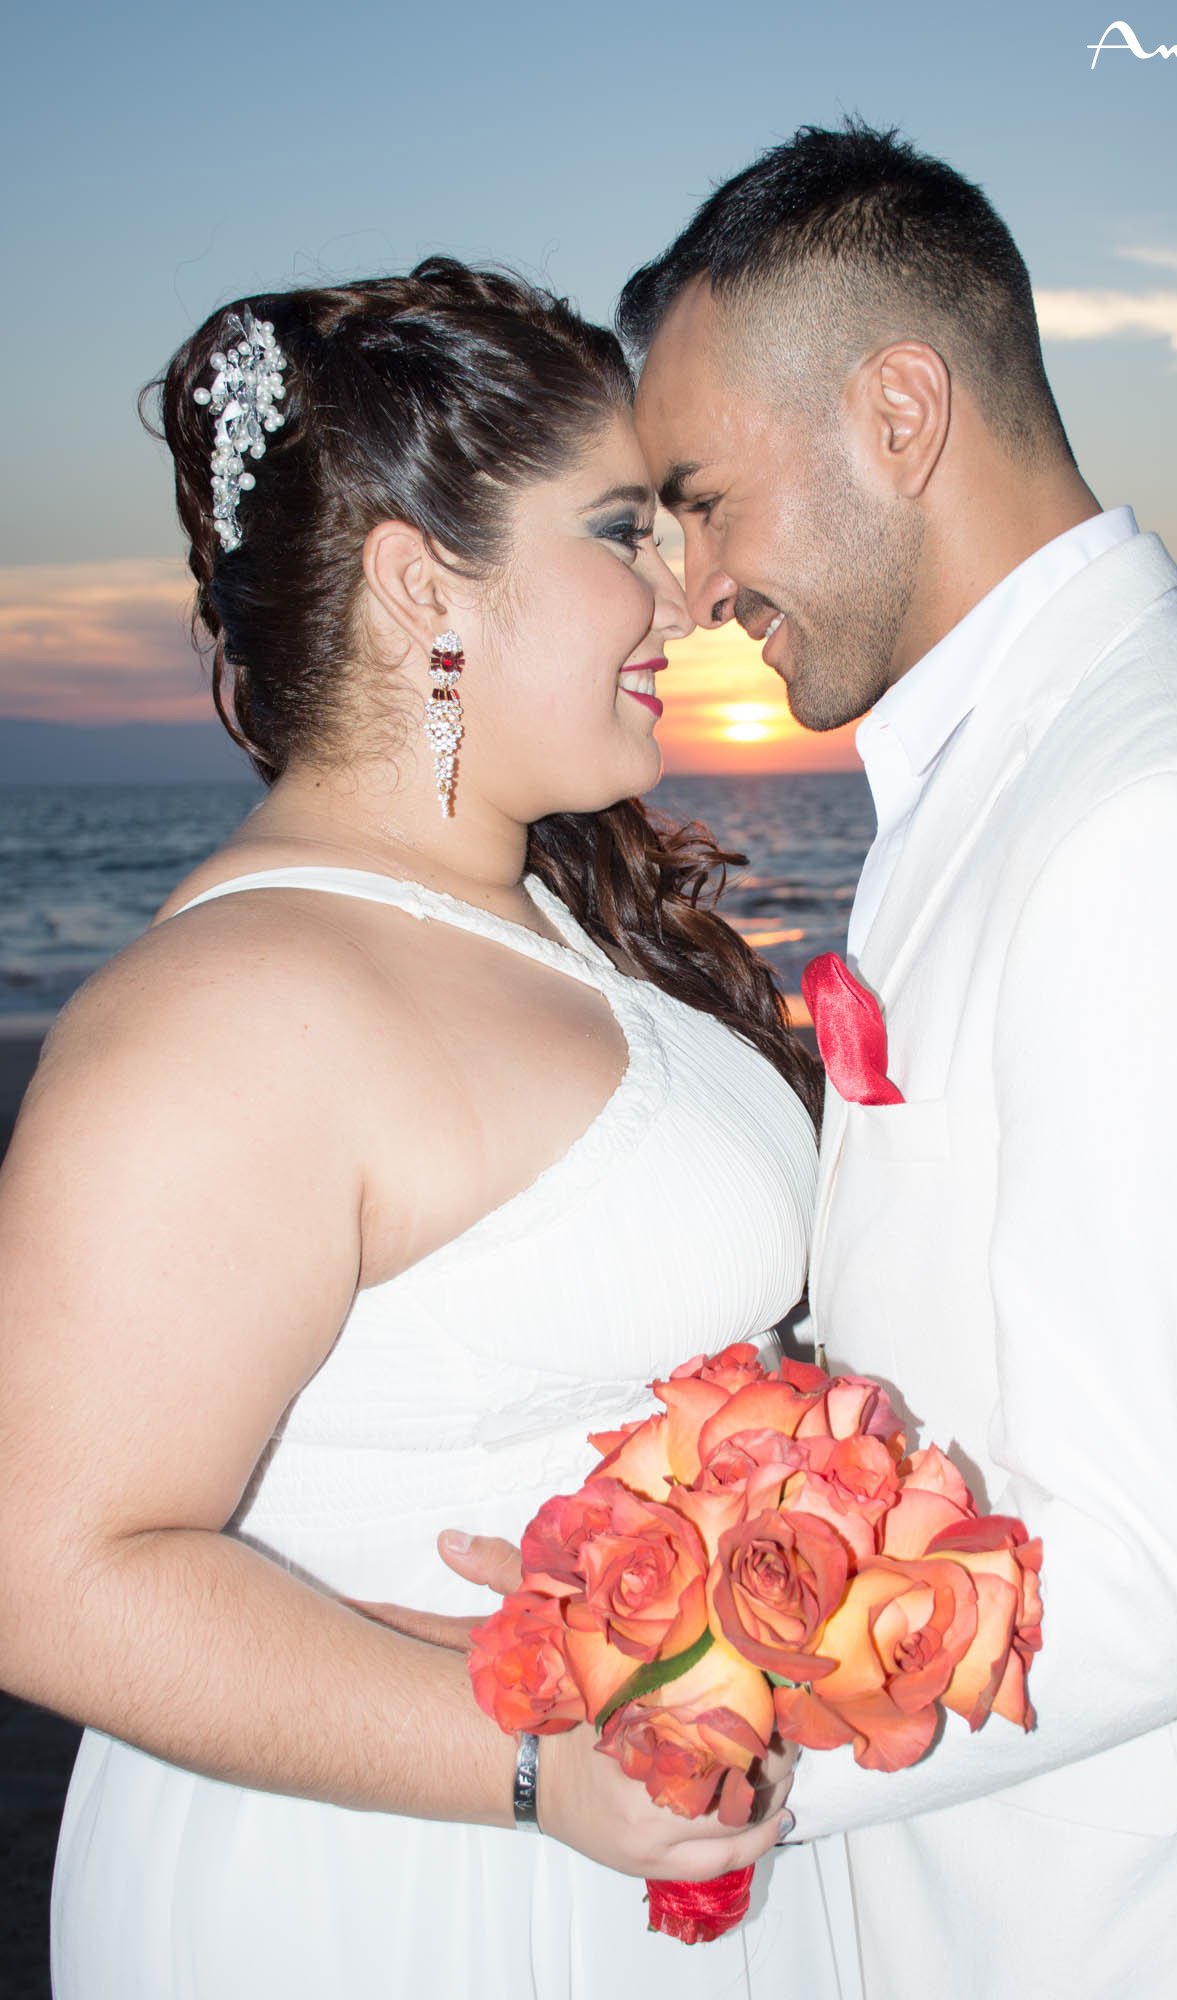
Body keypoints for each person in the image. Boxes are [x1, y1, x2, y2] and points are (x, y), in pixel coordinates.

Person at [0, 261, 862, 1998]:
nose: (682, 588)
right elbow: (45, 1572)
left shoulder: (537, 915)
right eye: (618, 529)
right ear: (421, 588)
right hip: (389, 1898)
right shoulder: (234, 1013)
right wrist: (529, 1765)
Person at [606, 119, 1177, 1998]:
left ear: (899, 414)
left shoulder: (1165, 814)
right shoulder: (1012, 770)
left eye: (702, 498)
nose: (686, 585)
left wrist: (705, 1720)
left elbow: (1170, 1574)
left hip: (1113, 1930)